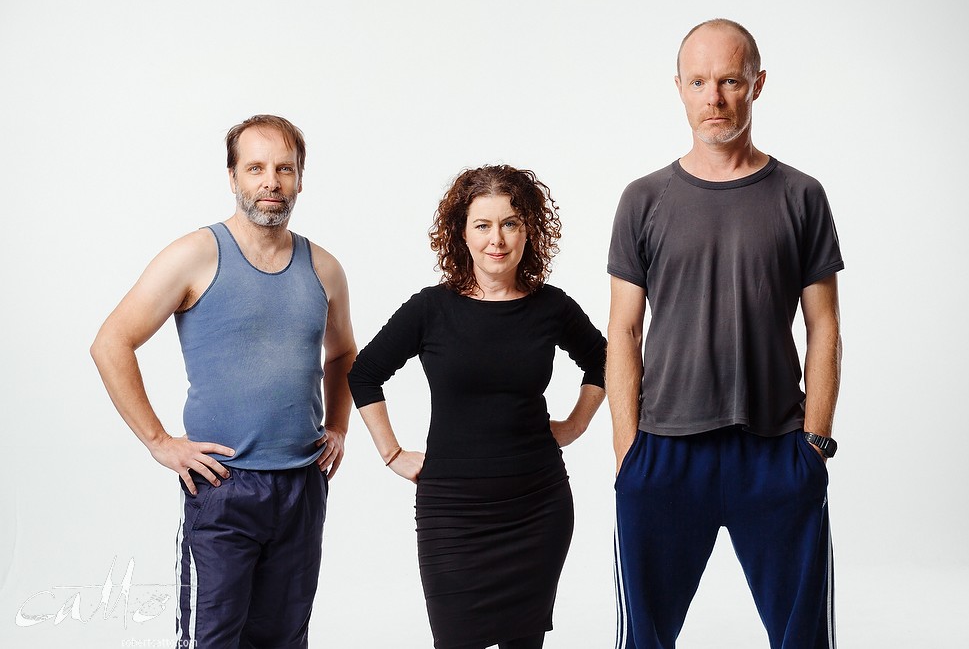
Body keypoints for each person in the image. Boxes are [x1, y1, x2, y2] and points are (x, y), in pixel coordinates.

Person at [607, 19, 844, 649]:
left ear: (757, 85)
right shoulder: (643, 199)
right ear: (679, 89)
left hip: (775, 448)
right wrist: (629, 454)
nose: (714, 97)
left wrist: (815, 441)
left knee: (804, 639)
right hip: (663, 448)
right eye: (699, 81)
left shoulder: (801, 195)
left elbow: (825, 327)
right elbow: (624, 331)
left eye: (730, 81)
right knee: (643, 640)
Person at [91, 114, 357, 648]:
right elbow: (110, 342)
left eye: (285, 168)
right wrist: (160, 442)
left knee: (285, 638)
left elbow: (344, 352)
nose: (271, 181)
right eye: (255, 167)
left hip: (302, 484)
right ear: (233, 177)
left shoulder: (323, 268)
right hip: (222, 484)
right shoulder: (194, 255)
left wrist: (338, 427)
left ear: (301, 178)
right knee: (213, 639)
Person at [348, 165, 606, 649]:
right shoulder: (431, 309)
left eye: (510, 223)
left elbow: (605, 361)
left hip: (537, 506)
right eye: (483, 225)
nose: (497, 240)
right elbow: (363, 374)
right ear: (460, 233)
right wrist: (391, 453)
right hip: (452, 512)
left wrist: (575, 424)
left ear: (529, 230)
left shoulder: (551, 307)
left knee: (524, 642)